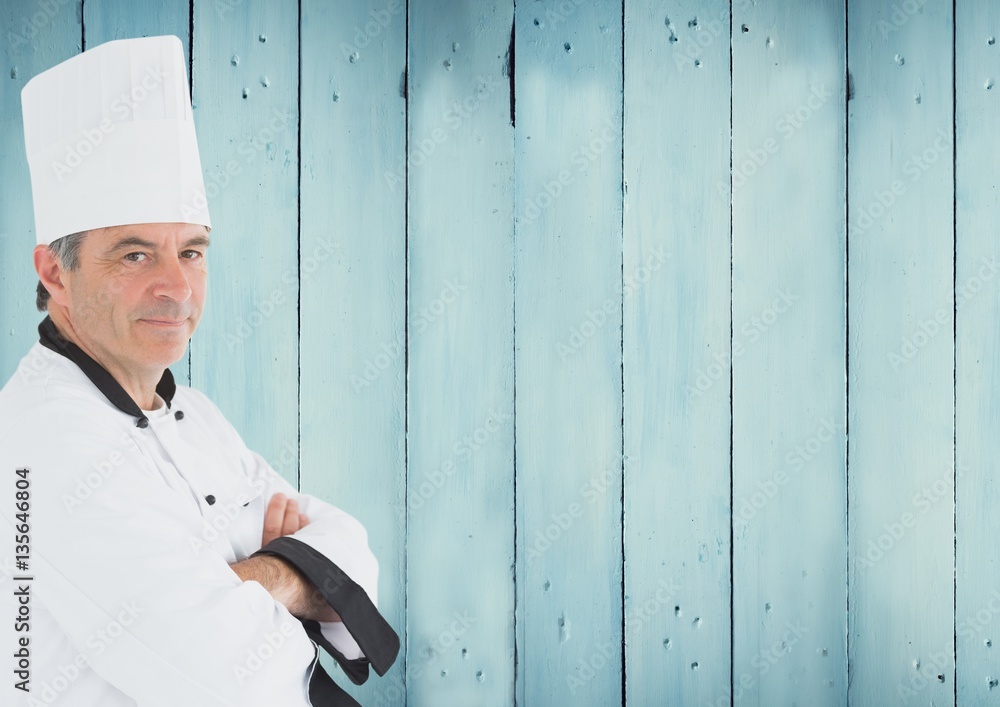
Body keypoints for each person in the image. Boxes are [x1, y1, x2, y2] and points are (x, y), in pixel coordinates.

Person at [0, 35, 398, 706]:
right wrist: (295, 580)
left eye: (190, 251)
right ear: (54, 273)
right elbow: (230, 676)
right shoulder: (41, 442)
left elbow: (352, 547)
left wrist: (251, 580)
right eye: (133, 256)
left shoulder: (199, 417)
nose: (176, 288)